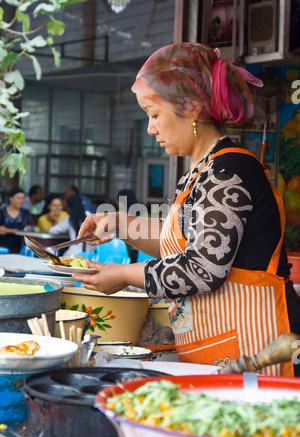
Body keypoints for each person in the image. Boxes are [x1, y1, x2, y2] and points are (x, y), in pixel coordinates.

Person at [73, 42, 300, 377]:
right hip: (224, 349)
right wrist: (120, 224)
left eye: (154, 115)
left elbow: (202, 267)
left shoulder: (228, 172)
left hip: (258, 349)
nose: (151, 129)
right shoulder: (201, 170)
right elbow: (181, 241)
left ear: (192, 107)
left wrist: (123, 276)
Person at [0, 187, 30, 253]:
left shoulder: (25, 213)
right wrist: (14, 230)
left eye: (23, 198)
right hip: (2, 246)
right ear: (11, 198)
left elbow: (24, 229)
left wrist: (7, 230)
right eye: (18, 198)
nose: (21, 201)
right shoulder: (1, 211)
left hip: (19, 246)